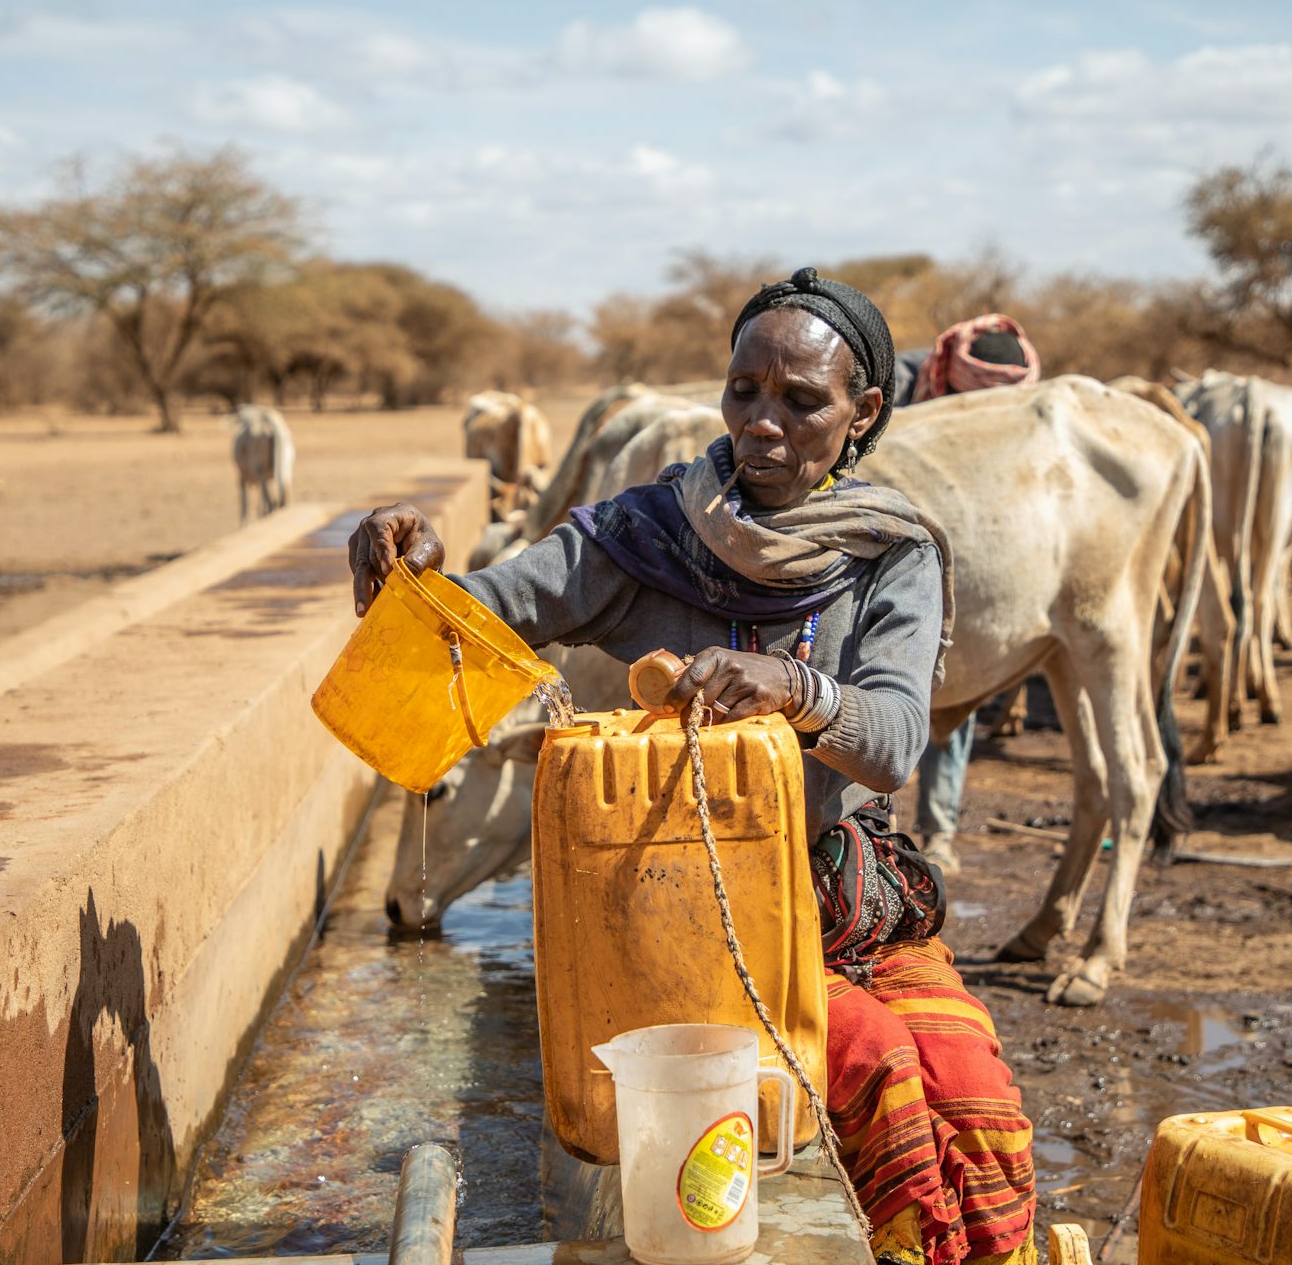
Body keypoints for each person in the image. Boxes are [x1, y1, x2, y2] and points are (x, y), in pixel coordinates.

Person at [349, 269, 1036, 1265]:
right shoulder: (646, 536)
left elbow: (889, 746)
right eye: (744, 391)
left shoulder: (890, 554)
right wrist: (415, 577)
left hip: (830, 899)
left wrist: (793, 687)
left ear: (863, 413)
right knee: (877, 1062)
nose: (763, 424)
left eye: (802, 401)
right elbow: (480, 617)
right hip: (675, 920)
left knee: (970, 1078)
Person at [898, 315, 1043, 870]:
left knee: (952, 686)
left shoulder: (1012, 405)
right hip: (896, 550)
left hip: (970, 555)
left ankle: (937, 832)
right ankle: (874, 831)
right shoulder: (902, 387)